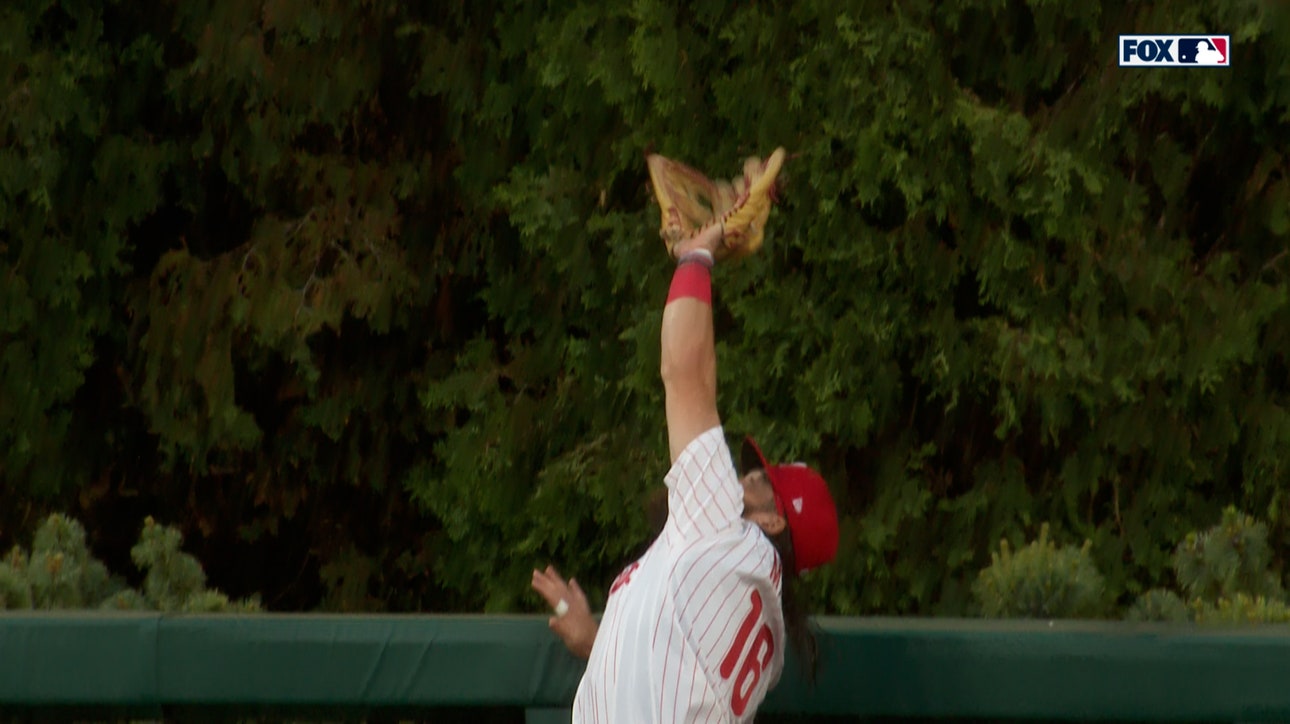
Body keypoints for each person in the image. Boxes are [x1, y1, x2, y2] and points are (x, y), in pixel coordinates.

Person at [531, 219, 840, 722]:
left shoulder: (723, 530)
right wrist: (596, 640)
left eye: (760, 482)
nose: (743, 479)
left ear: (773, 522)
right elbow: (678, 666)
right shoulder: (761, 624)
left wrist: (696, 258)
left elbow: (685, 371)